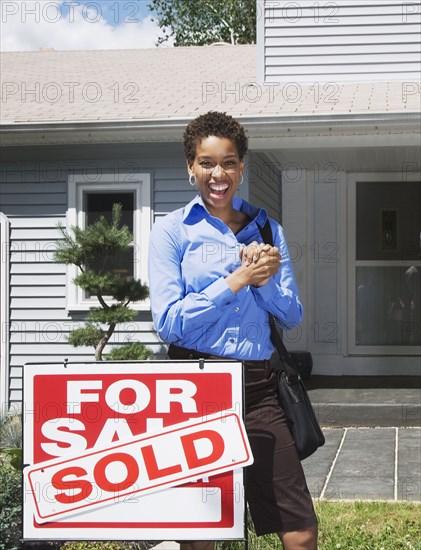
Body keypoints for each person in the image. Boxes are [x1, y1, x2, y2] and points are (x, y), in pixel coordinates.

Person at [148, 111, 318, 550]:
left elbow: (292, 314)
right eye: (207, 163)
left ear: (242, 166)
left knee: (299, 527)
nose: (217, 174)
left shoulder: (267, 228)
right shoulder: (170, 232)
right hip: (194, 388)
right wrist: (236, 280)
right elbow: (168, 323)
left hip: (259, 387)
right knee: (203, 528)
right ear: (191, 166)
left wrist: (263, 281)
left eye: (228, 162)